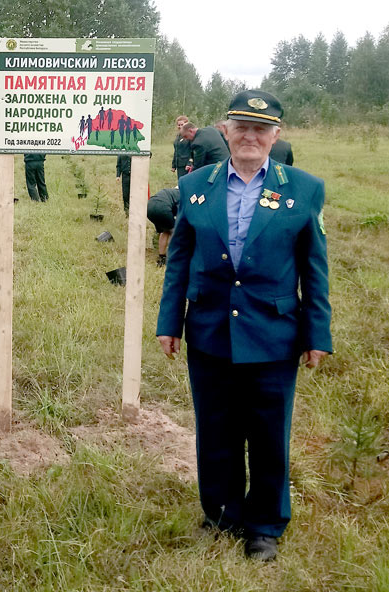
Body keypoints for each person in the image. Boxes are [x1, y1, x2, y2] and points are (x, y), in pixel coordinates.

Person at [156, 90, 332, 562]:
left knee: (269, 433)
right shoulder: (196, 185)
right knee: (215, 430)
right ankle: (220, 515)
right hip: (210, 332)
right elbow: (179, 261)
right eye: (242, 127)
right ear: (226, 131)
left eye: (262, 129)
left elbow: (314, 268)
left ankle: (264, 526)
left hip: (273, 335)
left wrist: (318, 333)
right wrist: (169, 322)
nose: (251, 136)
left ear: (275, 136)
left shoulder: (303, 188)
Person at [146, 187, 179, 266]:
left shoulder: (171, 192)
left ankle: (162, 258)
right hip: (163, 208)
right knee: (174, 233)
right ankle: (171, 258)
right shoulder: (183, 196)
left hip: (149, 206)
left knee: (164, 231)